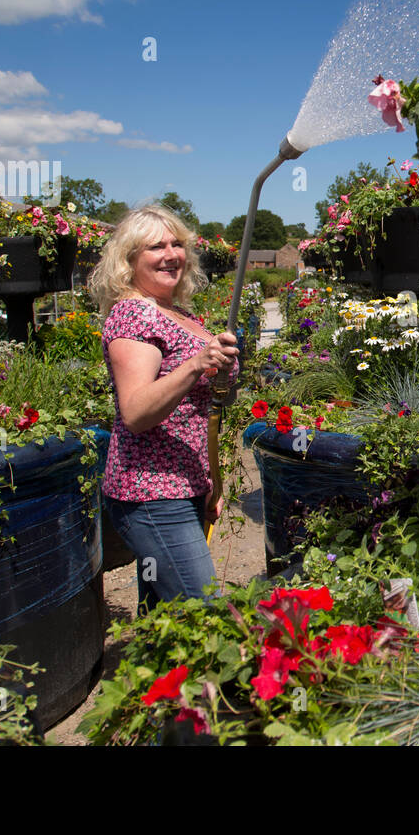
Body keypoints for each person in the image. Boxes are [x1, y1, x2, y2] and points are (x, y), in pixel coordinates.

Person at [87, 205, 240, 613]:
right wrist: (197, 364)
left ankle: (155, 674)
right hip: (151, 491)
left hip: (183, 485)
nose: (171, 254)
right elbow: (136, 412)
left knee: (163, 612)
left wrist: (209, 481)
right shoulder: (134, 314)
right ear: (130, 259)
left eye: (177, 244)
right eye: (156, 246)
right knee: (207, 613)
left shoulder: (178, 314)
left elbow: (197, 409)